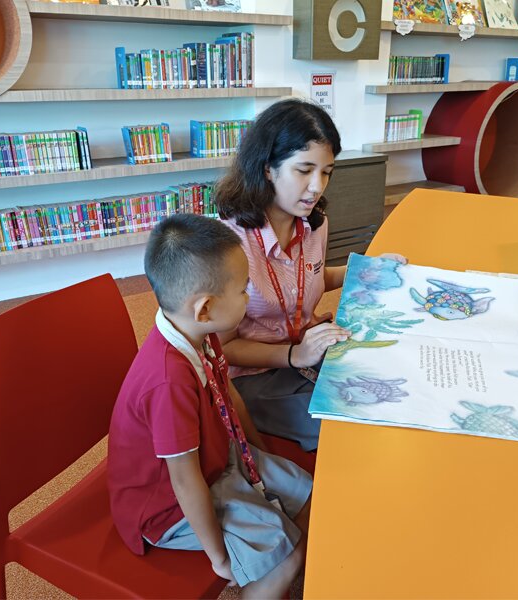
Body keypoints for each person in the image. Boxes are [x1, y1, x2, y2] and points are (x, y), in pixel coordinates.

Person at [108, 214, 312, 598]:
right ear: (204, 308)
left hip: (219, 460)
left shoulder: (199, 331)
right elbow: (183, 481)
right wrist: (219, 556)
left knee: (309, 497)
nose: (248, 295)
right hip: (166, 506)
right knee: (287, 556)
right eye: (243, 289)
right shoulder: (168, 381)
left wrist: (259, 455)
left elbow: (228, 396)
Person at [216, 98, 405, 451]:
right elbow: (224, 348)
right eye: (304, 170)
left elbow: (309, 279)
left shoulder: (314, 224)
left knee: (392, 386)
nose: (317, 187)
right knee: (352, 431)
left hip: (310, 352)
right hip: (255, 377)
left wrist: (363, 271)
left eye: (327, 172)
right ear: (268, 168)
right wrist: (294, 356)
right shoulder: (231, 244)